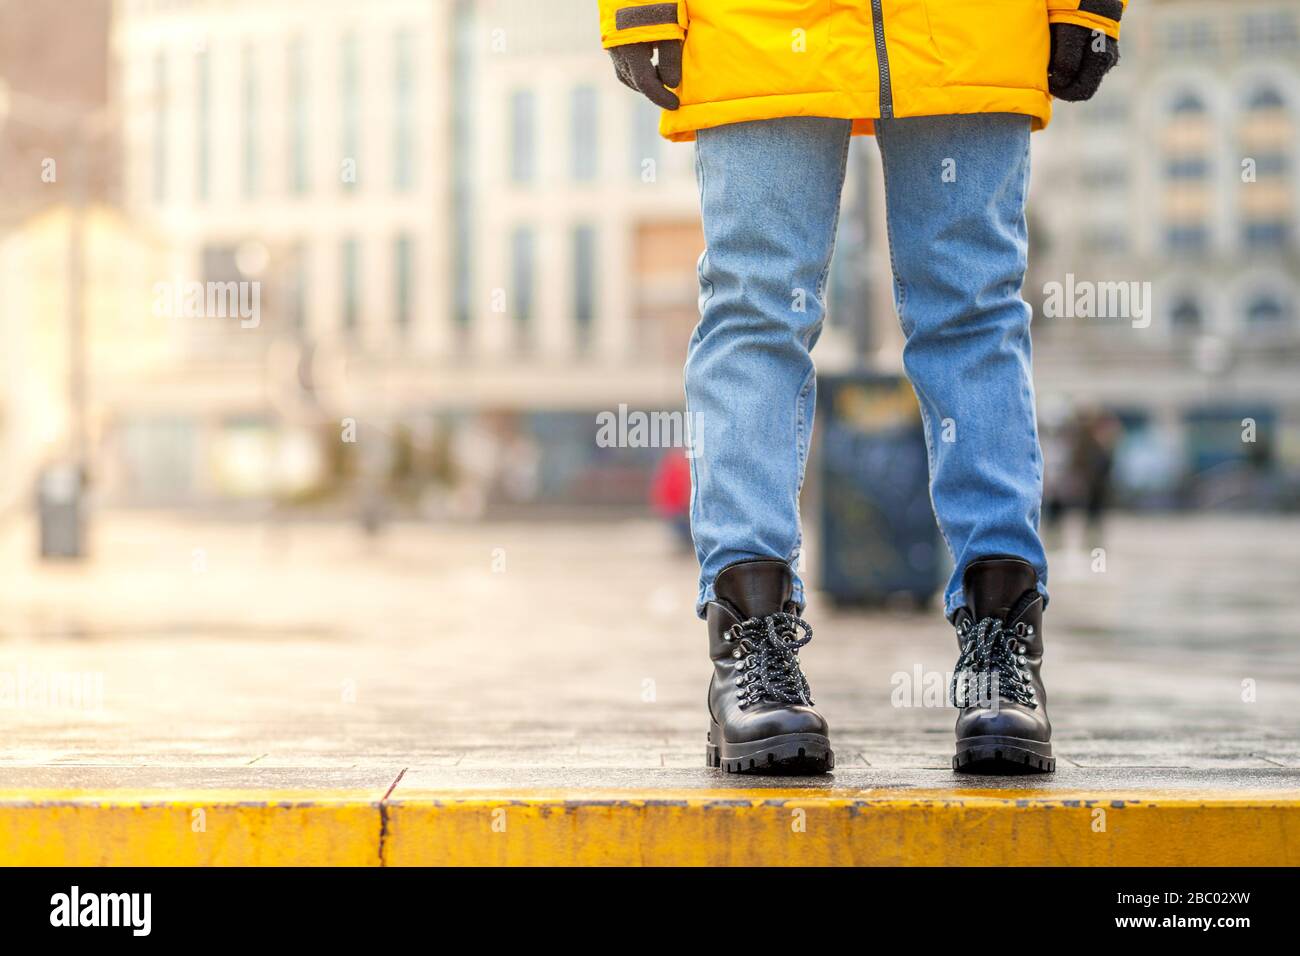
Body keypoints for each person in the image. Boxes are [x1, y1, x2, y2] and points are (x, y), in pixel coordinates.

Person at [598, 0, 1126, 774]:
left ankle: (1001, 645)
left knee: (974, 309)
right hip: (758, 24)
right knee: (756, 308)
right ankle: (752, 642)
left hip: (972, 22)